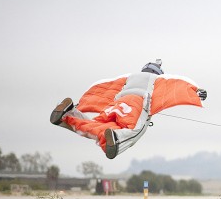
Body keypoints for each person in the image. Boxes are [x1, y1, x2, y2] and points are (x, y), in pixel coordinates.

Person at [50, 59, 207, 159]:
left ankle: (69, 114)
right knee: (134, 131)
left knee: (96, 126)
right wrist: (197, 93)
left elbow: (104, 88)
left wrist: (80, 104)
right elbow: (178, 86)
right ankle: (116, 139)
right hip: (137, 105)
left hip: (116, 104)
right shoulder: (160, 81)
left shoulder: (127, 79)